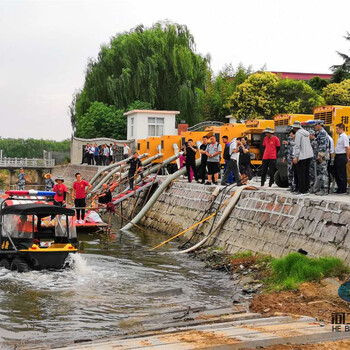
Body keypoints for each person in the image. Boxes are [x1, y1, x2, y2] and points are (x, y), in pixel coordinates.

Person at [292, 121, 314, 195]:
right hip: (309, 155)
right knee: (306, 173)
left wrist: (295, 156)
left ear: (295, 128)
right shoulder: (306, 133)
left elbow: (297, 146)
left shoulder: (298, 133)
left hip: (302, 156)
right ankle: (306, 189)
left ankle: (301, 190)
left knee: (300, 173)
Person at [314, 122, 330, 196]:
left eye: (316, 125)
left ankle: (324, 189)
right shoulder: (319, 133)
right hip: (321, 156)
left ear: (319, 125)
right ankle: (321, 189)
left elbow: (322, 146)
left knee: (323, 173)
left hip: (322, 156)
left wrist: (320, 156)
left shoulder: (322, 133)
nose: (315, 126)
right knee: (320, 173)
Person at [334, 123, 350, 194]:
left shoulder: (344, 137)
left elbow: (347, 147)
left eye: (337, 129)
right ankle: (339, 188)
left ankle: (343, 189)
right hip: (337, 155)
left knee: (341, 173)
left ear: (341, 129)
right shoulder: (340, 136)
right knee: (337, 172)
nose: (336, 130)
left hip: (342, 155)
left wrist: (347, 157)